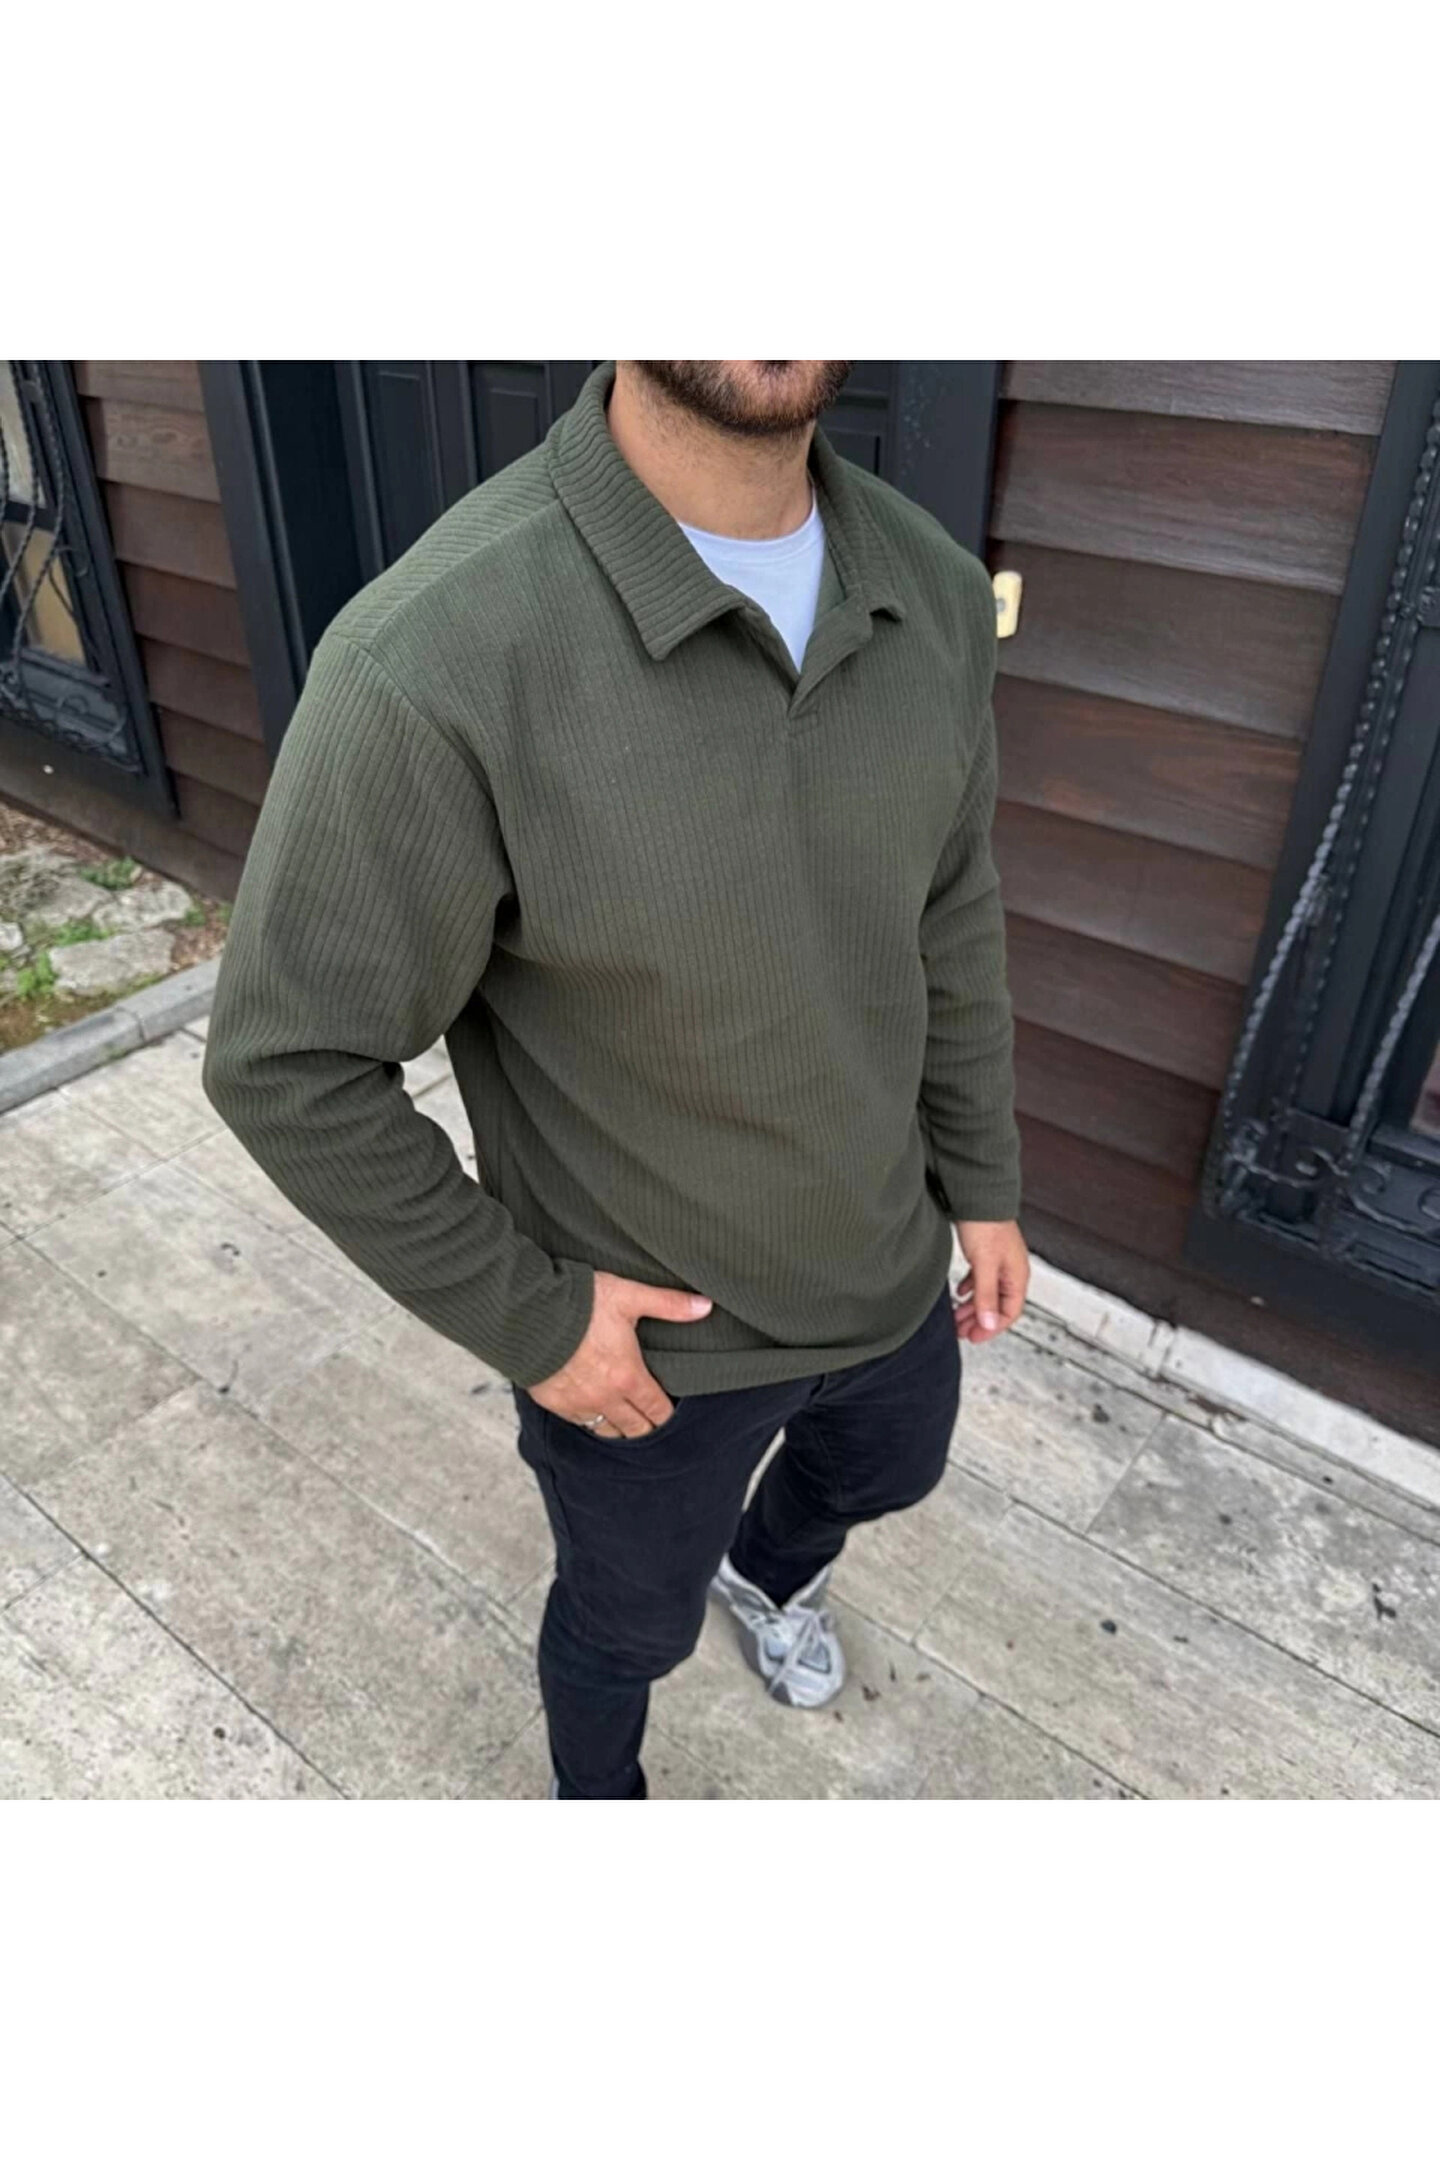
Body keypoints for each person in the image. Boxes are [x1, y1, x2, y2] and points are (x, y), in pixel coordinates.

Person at [202, 360, 1029, 1800]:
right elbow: (289, 1063)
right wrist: (534, 1321)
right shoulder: (435, 651)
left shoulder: (935, 591)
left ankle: (769, 1574)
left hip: (887, 1260)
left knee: (888, 1471)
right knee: (620, 1630)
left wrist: (986, 1182)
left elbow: (948, 916)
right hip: (656, 1348)